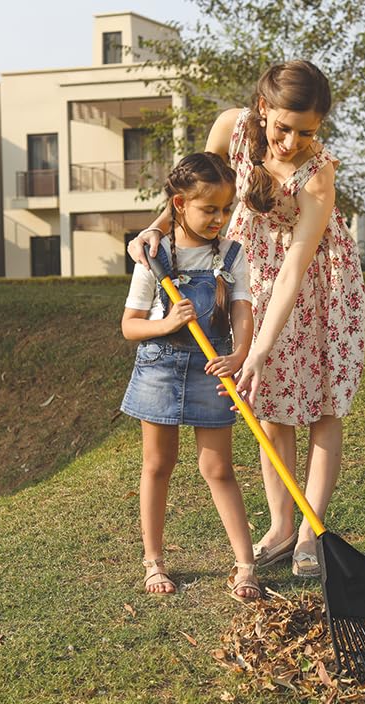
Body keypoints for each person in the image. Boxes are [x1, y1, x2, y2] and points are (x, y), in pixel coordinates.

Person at [128, 60, 365, 578]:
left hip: (319, 284)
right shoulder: (230, 127)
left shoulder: (317, 174)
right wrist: (154, 228)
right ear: (263, 109)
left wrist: (258, 347)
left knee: (323, 404)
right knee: (270, 400)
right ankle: (281, 525)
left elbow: (297, 267)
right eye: (283, 128)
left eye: (307, 132)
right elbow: (196, 188)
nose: (291, 142)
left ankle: (310, 533)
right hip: (254, 269)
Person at [120, 151, 260, 599]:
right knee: (158, 465)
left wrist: (239, 354)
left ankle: (245, 565)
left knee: (217, 467)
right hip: (159, 366)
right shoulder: (154, 256)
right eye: (209, 209)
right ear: (179, 205)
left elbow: (242, 308)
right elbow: (130, 325)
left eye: (225, 209)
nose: (220, 218)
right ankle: (154, 562)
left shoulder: (231, 254)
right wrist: (167, 323)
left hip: (210, 369)